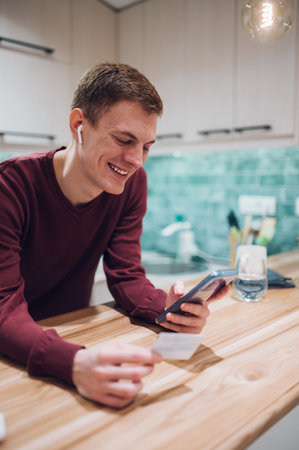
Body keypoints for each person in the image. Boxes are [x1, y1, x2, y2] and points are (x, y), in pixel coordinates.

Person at [0, 62, 228, 408]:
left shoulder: (131, 185)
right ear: (79, 125)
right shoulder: (10, 187)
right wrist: (73, 362)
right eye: (124, 139)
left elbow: (126, 276)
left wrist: (166, 310)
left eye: (147, 146)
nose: (136, 159)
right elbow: (4, 308)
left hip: (70, 335)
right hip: (13, 352)